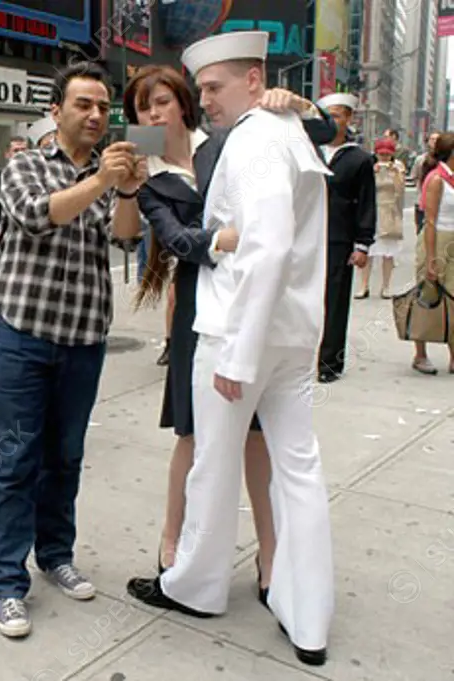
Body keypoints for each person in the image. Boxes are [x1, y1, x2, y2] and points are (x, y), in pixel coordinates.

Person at [125, 31, 335, 667]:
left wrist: (239, 355)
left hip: (236, 333)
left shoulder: (254, 135)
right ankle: (309, 615)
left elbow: (267, 247)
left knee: (214, 467)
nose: (204, 101)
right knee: (299, 472)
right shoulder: (278, 132)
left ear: (254, 79)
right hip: (292, 335)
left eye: (211, 89)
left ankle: (196, 586)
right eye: (203, 89)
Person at [0, 61, 146, 639]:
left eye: (103, 106)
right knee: (16, 462)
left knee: (66, 456)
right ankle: (8, 583)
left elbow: (126, 235)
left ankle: (55, 553)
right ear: (56, 112)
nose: (96, 115)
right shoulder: (25, 164)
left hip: (83, 339)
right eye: (84, 104)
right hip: (22, 336)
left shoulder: (109, 172)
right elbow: (35, 215)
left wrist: (127, 188)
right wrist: (104, 180)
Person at [315, 92, 377, 383]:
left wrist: (362, 243)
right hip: (306, 238)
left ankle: (329, 364)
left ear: (349, 118)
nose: (332, 121)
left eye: (338, 115)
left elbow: (367, 203)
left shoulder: (360, 159)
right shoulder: (310, 151)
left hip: (339, 240)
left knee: (335, 304)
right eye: (327, 116)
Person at [411, 132, 454, 375]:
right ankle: (420, 354)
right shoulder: (437, 179)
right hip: (436, 240)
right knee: (428, 297)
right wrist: (430, 260)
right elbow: (429, 221)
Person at [357, 137, 405, 299]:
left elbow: (400, 191)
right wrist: (372, 173)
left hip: (390, 211)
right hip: (372, 209)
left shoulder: (398, 167)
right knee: (367, 250)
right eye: (381, 154)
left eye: (387, 155)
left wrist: (395, 173)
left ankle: (386, 286)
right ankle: (364, 285)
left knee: (388, 252)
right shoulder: (369, 166)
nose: (384, 158)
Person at [411, 132, 440, 234]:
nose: (434, 142)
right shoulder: (420, 159)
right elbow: (415, 176)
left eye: (437, 139)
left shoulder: (445, 160)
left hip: (439, 201)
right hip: (422, 199)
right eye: (432, 139)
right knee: (421, 229)